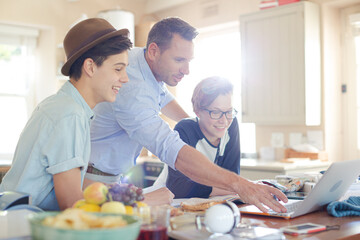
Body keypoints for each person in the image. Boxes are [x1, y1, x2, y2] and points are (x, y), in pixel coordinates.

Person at [86, 17, 288, 213]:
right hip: (92, 180)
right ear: (155, 51)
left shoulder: (144, 60)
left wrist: (196, 125)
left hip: (112, 178)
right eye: (179, 60)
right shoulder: (133, 88)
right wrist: (240, 185)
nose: (187, 70)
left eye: (188, 60)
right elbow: (170, 148)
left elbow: (163, 98)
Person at [0, 18, 132, 210]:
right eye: (118, 69)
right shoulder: (70, 115)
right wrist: (137, 204)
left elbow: (72, 186)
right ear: (90, 67)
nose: (125, 78)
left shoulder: (61, 105)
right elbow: (72, 204)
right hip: (24, 226)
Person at [165, 76, 240, 198]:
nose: (224, 120)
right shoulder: (185, 129)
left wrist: (236, 186)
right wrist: (234, 187)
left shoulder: (231, 124)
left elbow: (233, 177)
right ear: (197, 111)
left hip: (212, 202)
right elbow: (178, 187)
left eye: (229, 111)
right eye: (215, 112)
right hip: (173, 202)